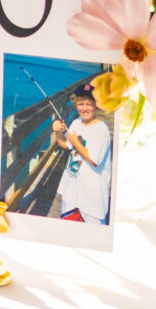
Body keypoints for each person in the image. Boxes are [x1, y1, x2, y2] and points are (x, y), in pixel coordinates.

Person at [52, 81, 111, 225]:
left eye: (89, 104)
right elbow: (66, 144)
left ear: (96, 105)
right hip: (71, 193)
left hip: (92, 200)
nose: (84, 108)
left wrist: (76, 142)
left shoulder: (101, 130)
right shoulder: (76, 123)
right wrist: (58, 132)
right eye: (80, 104)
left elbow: (94, 160)